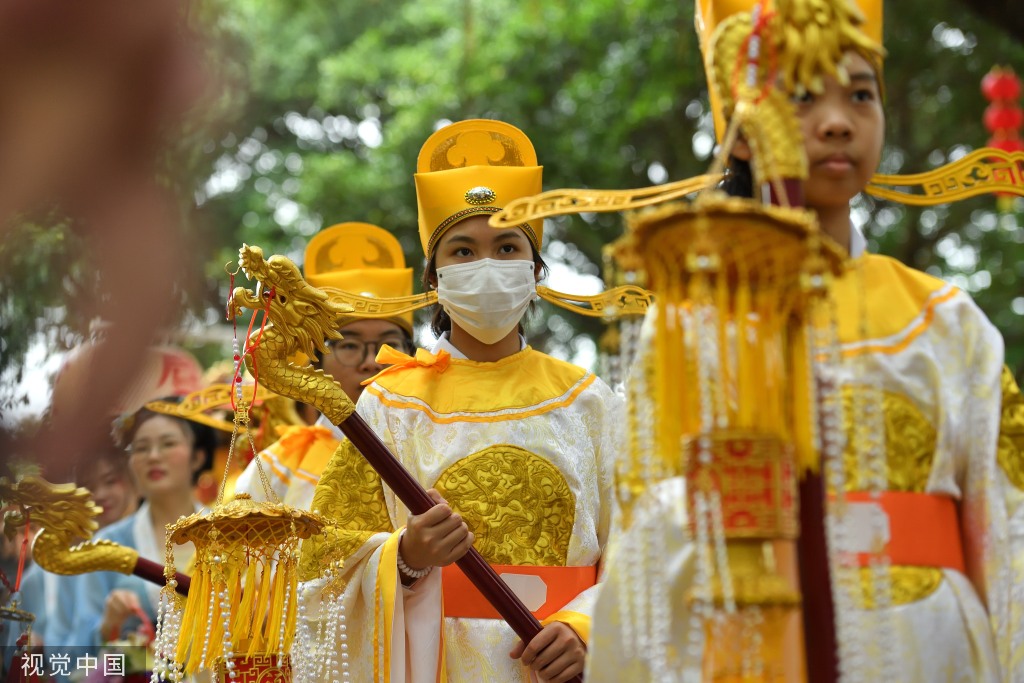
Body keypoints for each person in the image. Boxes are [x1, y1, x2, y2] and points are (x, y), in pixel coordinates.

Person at [585, 1, 1024, 681]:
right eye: (799, 96)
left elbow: (1007, 524)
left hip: (932, 646)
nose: (838, 120)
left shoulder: (946, 317)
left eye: (860, 94)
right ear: (739, 133)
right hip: (758, 643)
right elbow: (645, 513)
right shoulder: (695, 320)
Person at [297, 119, 620, 683]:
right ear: (435, 274)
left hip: (560, 665)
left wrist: (584, 628)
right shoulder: (388, 406)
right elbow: (319, 559)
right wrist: (405, 555)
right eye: (464, 250)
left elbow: (639, 545)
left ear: (535, 268)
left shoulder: (588, 401)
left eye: (506, 246)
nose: (486, 265)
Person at [233, 222, 416, 511]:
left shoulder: (434, 445)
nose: (371, 362)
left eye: (389, 345)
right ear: (317, 358)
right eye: (350, 346)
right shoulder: (275, 468)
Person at [69, 399, 214, 647]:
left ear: (197, 457)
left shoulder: (230, 533)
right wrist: (108, 624)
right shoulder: (108, 545)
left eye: (168, 444)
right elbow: (77, 646)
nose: (154, 456)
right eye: (141, 448)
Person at [18, 445, 139, 647]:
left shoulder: (158, 536)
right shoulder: (59, 566)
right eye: (89, 487)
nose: (100, 494)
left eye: (110, 481)